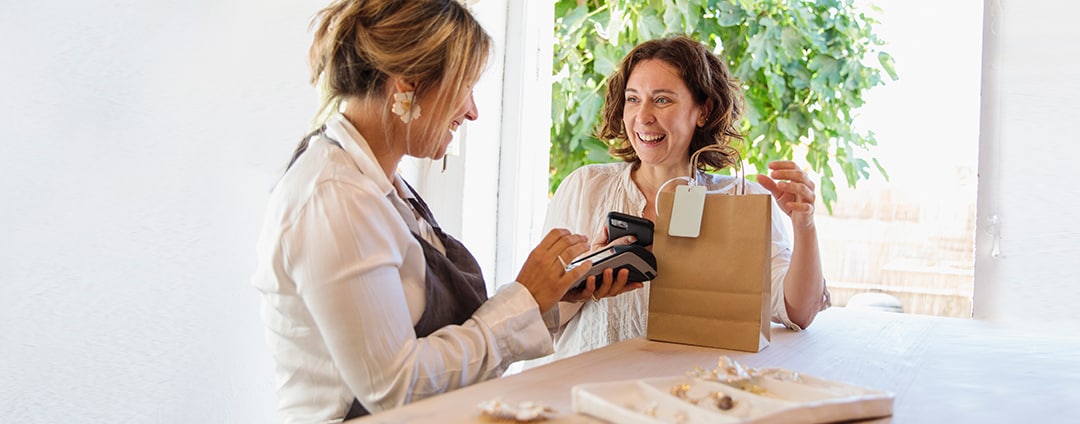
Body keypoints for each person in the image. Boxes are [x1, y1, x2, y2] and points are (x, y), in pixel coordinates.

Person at [249, 1, 638, 421]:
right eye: (464, 88)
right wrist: (523, 296)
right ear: (406, 86)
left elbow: (447, 337)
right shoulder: (335, 201)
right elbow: (395, 389)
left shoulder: (383, 187)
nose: (472, 111)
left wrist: (554, 295)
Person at [532, 35, 831, 365]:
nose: (643, 116)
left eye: (661, 100)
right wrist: (585, 276)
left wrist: (805, 225)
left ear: (704, 111)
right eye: (633, 99)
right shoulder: (585, 187)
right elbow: (542, 319)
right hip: (589, 395)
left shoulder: (741, 199)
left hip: (689, 398)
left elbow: (797, 312)